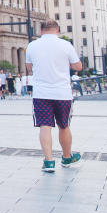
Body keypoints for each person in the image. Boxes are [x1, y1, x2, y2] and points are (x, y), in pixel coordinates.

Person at [26, 19, 83, 173]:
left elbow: (29, 68)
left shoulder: (32, 46)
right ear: (57, 30)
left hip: (41, 93)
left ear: (41, 31)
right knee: (64, 125)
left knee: (45, 126)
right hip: (62, 93)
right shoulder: (66, 45)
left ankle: (49, 161)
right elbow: (78, 66)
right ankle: (66, 157)